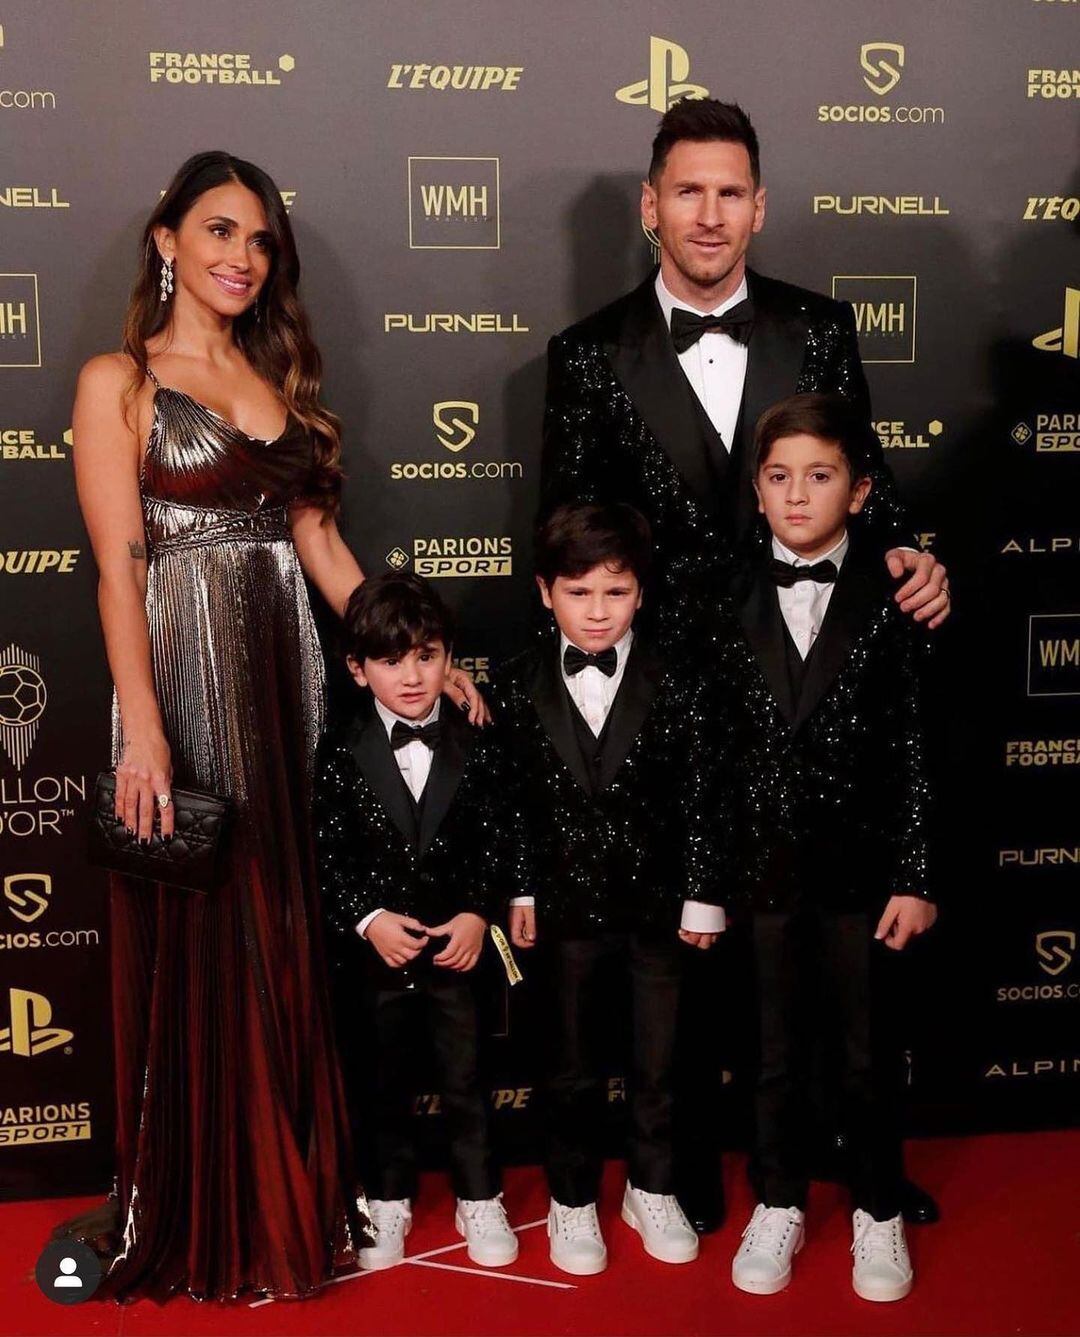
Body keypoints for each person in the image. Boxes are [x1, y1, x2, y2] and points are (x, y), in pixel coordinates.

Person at [69, 150, 481, 1302]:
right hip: (184, 679)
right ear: (166, 241)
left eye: (259, 240)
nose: (241, 257)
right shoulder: (119, 381)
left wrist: (411, 657)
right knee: (206, 925)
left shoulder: (283, 383)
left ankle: (279, 1190)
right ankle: (199, 1202)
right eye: (217, 230)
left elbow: (323, 553)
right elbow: (117, 565)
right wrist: (141, 731)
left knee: (282, 916)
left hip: (285, 670)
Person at [540, 97, 946, 1229]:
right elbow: (566, 532)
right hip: (672, 697)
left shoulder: (820, 327)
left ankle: (850, 1163)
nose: (709, 214)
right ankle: (706, 1170)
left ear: (759, 206)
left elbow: (873, 485)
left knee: (827, 948)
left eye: (730, 192)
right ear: (649, 204)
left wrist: (920, 554)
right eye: (688, 190)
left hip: (808, 685)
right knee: (707, 946)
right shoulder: (586, 357)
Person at [715, 394, 937, 1301]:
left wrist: (916, 874)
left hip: (864, 871)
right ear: (756, 491)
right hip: (762, 872)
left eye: (820, 476)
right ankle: (778, 1198)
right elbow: (705, 749)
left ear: (860, 489)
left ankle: (878, 1209)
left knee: (867, 1049)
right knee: (771, 1050)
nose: (797, 496)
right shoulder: (722, 590)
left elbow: (923, 743)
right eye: (778, 478)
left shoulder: (898, 593)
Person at [494, 502, 722, 1276]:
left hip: (657, 907)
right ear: (543, 590)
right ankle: (572, 1196)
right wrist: (521, 891)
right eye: (579, 592)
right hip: (562, 911)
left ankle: (652, 1187)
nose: (597, 611)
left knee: (658, 1061)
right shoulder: (515, 680)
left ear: (641, 593)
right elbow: (512, 802)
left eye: (615, 592)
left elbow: (700, 792)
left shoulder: (678, 676)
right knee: (568, 1065)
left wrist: (702, 894)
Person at [313, 572, 518, 1273]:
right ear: (356, 666)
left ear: (448, 656)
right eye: (390, 660)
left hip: (456, 954)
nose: (410, 675)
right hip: (376, 962)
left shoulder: (479, 737)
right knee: (381, 1079)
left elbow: (500, 838)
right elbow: (326, 851)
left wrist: (475, 913)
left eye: (426, 656)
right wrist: (367, 919)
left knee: (468, 1077)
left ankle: (479, 1191)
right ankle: (388, 1192)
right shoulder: (338, 748)